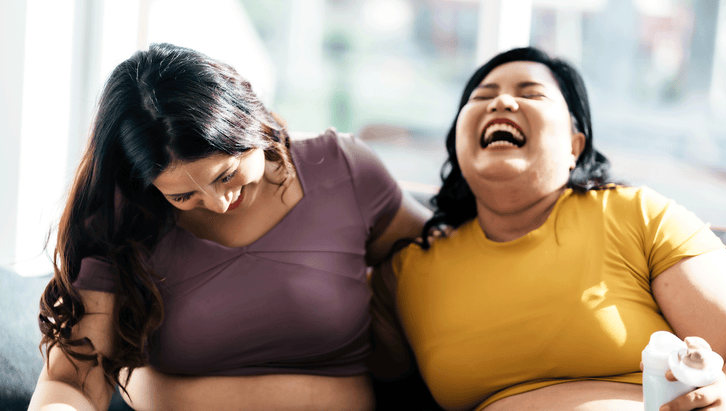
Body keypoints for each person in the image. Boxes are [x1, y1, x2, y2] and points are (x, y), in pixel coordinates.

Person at [28, 43, 431, 411]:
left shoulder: (344, 171)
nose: (219, 203)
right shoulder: (127, 216)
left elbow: (444, 254)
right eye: (183, 196)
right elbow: (73, 379)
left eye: (227, 174)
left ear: (249, 120)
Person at [370, 47, 726, 411]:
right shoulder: (406, 274)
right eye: (482, 96)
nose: (503, 102)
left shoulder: (637, 214)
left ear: (575, 145)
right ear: (458, 145)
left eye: (531, 94)